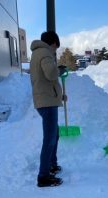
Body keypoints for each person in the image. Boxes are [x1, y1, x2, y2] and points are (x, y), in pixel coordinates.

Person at [30, 31, 66, 187]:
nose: (55, 50)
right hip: (47, 103)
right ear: (53, 43)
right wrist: (60, 70)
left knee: (54, 135)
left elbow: (44, 80)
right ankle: (43, 176)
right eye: (56, 47)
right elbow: (51, 74)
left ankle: (51, 164)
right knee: (50, 139)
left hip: (46, 100)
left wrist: (59, 96)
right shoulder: (45, 53)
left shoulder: (37, 53)